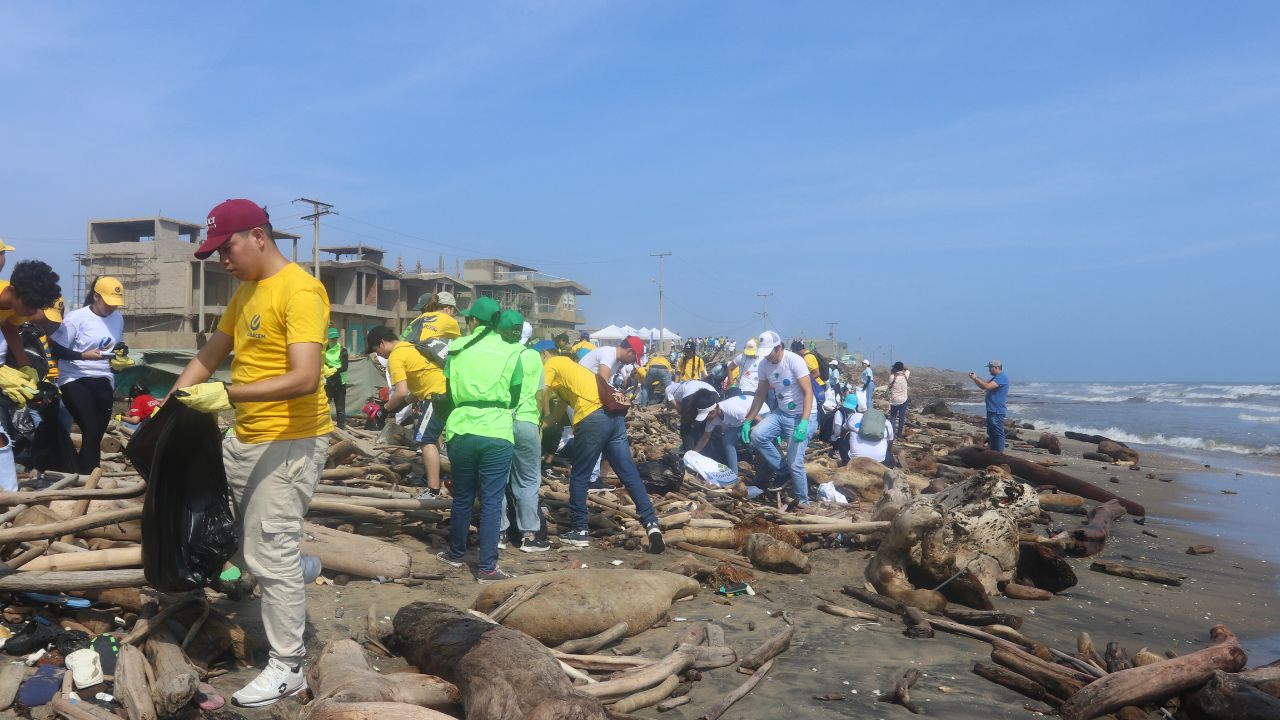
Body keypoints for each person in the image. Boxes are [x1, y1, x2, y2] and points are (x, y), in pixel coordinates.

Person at [169, 199, 331, 707]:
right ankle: (295, 567)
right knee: (232, 537)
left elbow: (305, 378)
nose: (223, 260)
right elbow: (209, 355)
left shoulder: (302, 290)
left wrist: (226, 395)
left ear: (259, 236)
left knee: (267, 547)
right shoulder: (246, 292)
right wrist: (167, 408)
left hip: (289, 442)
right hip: (245, 437)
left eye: (227, 247)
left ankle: (288, 667)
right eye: (215, 252)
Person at [538, 341, 665, 553]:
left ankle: (579, 530)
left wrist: (533, 417)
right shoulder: (572, 373)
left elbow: (541, 394)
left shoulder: (552, 363)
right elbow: (558, 413)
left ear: (544, 355)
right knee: (629, 473)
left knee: (579, 474)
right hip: (614, 417)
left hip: (593, 416)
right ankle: (652, 524)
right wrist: (541, 424)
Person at [434, 298, 524, 583]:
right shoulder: (512, 351)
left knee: (462, 496)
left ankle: (455, 553)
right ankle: (487, 568)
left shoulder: (457, 348)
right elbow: (514, 396)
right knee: (492, 501)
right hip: (497, 431)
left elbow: (446, 392)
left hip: (461, 429)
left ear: (472, 321)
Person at [48, 277, 128, 474]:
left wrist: (121, 353)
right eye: (108, 303)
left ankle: (84, 473)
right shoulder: (77, 318)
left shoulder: (118, 319)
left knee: (98, 430)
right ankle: (90, 473)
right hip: (75, 376)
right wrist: (84, 356)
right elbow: (56, 349)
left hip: (103, 377)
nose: (112, 308)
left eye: (115, 304)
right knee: (91, 426)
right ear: (96, 296)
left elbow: (118, 343)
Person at [741, 331, 816, 507]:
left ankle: (803, 502)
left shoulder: (794, 361)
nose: (767, 357)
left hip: (802, 414)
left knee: (795, 463)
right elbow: (760, 394)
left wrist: (804, 422)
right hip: (781, 413)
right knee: (757, 435)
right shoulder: (764, 365)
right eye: (764, 353)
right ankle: (783, 471)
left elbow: (808, 392)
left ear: (779, 347)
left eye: (770, 353)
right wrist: (748, 420)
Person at [401, 291, 461, 498]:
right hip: (442, 389)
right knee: (432, 438)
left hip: (428, 387)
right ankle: (437, 487)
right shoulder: (447, 321)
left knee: (428, 438)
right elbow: (461, 348)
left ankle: (434, 487)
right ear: (448, 308)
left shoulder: (416, 322)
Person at [501, 317, 549, 552]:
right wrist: (539, 420)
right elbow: (541, 395)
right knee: (528, 480)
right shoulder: (533, 357)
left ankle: (498, 534)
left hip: (499, 423)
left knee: (498, 480)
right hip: (527, 421)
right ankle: (529, 536)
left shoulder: (500, 352)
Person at [0, 260, 62, 384]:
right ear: (11, 291)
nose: (32, 312)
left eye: (37, 306)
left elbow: (9, 326)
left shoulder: (22, 304)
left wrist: (25, 367)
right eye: (29, 305)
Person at [365, 325, 431, 436]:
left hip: (433, 397)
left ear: (382, 343)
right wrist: (400, 405)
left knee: (425, 440)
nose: (378, 355)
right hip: (442, 393)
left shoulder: (395, 357)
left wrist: (383, 411)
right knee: (431, 438)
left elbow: (401, 392)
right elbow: (419, 388)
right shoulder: (410, 347)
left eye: (376, 351)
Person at [693, 393, 768, 472]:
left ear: (712, 411)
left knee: (754, 439)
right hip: (742, 420)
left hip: (760, 412)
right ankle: (733, 472)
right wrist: (693, 453)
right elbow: (705, 437)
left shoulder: (731, 410)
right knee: (728, 441)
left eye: (706, 416)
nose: (706, 419)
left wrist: (761, 427)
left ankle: (762, 458)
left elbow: (753, 414)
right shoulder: (711, 419)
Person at [834, 393, 895, 465]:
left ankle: (845, 464)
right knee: (890, 456)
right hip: (880, 462)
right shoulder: (887, 423)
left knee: (844, 439)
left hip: (853, 460)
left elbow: (841, 433)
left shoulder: (854, 417)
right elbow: (890, 444)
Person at [970, 360, 1010, 452]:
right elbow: (983, 386)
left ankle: (999, 454)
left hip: (997, 411)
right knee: (992, 433)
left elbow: (986, 386)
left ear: (996, 367)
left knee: (998, 434)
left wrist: (976, 378)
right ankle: (993, 452)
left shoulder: (1001, 377)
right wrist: (975, 379)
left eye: (990, 368)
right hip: (992, 410)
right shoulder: (996, 378)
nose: (989, 370)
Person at [322, 328, 348, 429]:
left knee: (340, 407)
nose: (334, 340)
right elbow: (320, 361)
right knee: (325, 404)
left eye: (335, 338)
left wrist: (333, 370)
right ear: (327, 339)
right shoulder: (323, 350)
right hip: (327, 381)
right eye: (332, 339)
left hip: (339, 381)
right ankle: (324, 425)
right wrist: (324, 367)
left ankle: (341, 427)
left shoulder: (342, 350)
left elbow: (345, 367)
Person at [886, 361, 910, 436]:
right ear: (902, 368)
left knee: (893, 417)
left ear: (895, 368)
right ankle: (899, 434)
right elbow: (908, 369)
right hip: (903, 399)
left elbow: (889, 385)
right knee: (901, 417)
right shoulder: (906, 375)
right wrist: (903, 367)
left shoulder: (892, 376)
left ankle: (892, 434)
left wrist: (893, 371)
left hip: (894, 400)